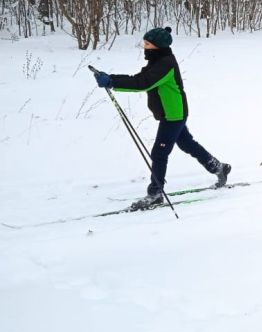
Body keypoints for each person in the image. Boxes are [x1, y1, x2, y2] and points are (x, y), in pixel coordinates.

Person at [93, 27, 231, 210]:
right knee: (187, 144)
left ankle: (155, 193)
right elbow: (141, 77)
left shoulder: (164, 64)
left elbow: (143, 82)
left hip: (173, 114)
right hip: (173, 113)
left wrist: (112, 82)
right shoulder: (158, 61)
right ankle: (219, 167)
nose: (145, 47)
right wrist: (111, 78)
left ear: (158, 46)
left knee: (159, 153)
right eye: (145, 43)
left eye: (148, 44)